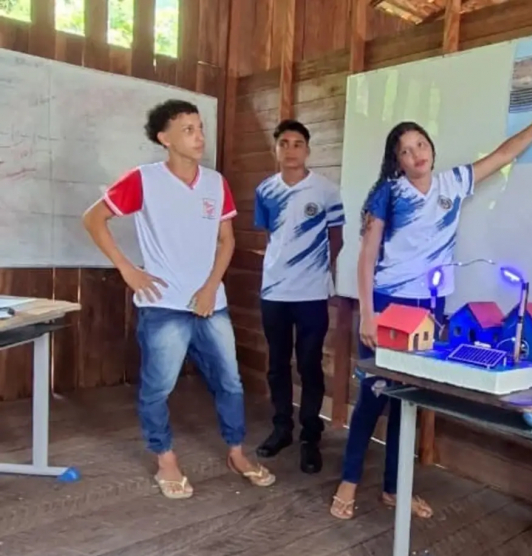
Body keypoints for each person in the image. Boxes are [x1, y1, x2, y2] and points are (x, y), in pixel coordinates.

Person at [328, 76, 532, 520]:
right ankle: (348, 482)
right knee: (373, 394)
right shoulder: (389, 193)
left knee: (408, 399)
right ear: (396, 161)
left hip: (430, 307)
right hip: (388, 305)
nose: (416, 154)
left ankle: (394, 488)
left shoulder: (453, 183)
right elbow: (366, 258)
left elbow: (504, 154)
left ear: (431, 147)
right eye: (405, 151)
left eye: (420, 144)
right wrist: (367, 313)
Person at [82, 99, 276, 499]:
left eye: (200, 127)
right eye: (188, 129)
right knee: (158, 387)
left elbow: (226, 240)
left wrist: (210, 288)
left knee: (230, 382)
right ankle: (165, 459)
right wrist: (127, 269)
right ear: (164, 138)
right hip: (163, 305)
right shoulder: (143, 179)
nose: (199, 136)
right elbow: (93, 218)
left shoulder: (215, 183)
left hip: (211, 305)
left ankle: (236, 453)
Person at [253, 119, 345, 474]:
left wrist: (316, 270)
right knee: (277, 364)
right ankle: (282, 428)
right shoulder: (265, 190)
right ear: (276, 149)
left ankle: (310, 436)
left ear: (307, 150)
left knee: (309, 364)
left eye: (297, 144)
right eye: (284, 143)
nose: (291, 150)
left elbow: (337, 238)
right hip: (274, 292)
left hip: (311, 294)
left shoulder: (325, 190)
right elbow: (271, 238)